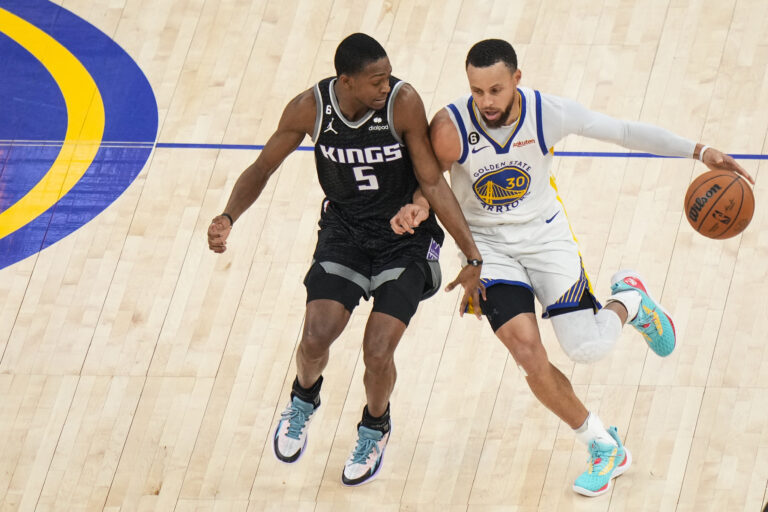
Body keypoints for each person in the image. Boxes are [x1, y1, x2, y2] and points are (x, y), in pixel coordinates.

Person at [392, 39, 754, 497]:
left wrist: (699, 151)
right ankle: (603, 446)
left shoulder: (548, 114)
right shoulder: (450, 128)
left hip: (546, 238)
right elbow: (430, 181)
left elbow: (623, 132)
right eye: (477, 91)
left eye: (496, 90)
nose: (486, 102)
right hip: (487, 249)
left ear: (517, 80)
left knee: (586, 347)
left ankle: (630, 301)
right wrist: (419, 206)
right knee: (527, 352)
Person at [207, 33, 484, 487]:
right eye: (376, 80)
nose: (386, 85)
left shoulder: (402, 103)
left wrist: (471, 254)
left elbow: (433, 181)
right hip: (346, 232)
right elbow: (262, 167)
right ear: (346, 81)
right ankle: (303, 398)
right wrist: (228, 215)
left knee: (377, 349)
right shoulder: (309, 109)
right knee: (315, 336)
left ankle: (375, 426)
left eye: (387, 76)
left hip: (404, 238)